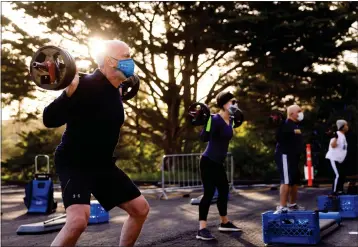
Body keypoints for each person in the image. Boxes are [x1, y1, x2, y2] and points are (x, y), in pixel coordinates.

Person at [43, 40, 150, 247]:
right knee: (77, 221)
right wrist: (68, 94)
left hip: (102, 164)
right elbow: (49, 119)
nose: (131, 60)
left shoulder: (116, 90)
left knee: (140, 209)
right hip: (75, 161)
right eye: (127, 56)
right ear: (110, 61)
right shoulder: (83, 84)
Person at [196, 91, 241, 241]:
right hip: (208, 161)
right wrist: (205, 121)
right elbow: (203, 137)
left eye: (236, 102)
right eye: (232, 102)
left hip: (218, 162)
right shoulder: (214, 119)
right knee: (209, 193)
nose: (235, 105)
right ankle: (201, 229)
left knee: (223, 190)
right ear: (224, 104)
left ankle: (224, 223)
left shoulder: (232, 120)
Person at [274, 105, 305, 214]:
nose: (301, 113)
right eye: (299, 111)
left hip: (294, 156)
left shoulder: (295, 125)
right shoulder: (285, 124)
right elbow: (279, 137)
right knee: (286, 180)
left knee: (294, 181)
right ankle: (282, 207)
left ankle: (292, 205)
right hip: (285, 155)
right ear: (291, 114)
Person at [325, 120, 349, 195]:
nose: (347, 127)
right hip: (333, 158)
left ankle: (340, 191)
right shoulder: (337, 134)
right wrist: (335, 137)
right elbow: (333, 145)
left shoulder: (343, 135)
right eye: (346, 125)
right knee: (337, 175)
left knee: (342, 175)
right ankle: (334, 192)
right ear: (342, 127)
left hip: (340, 160)